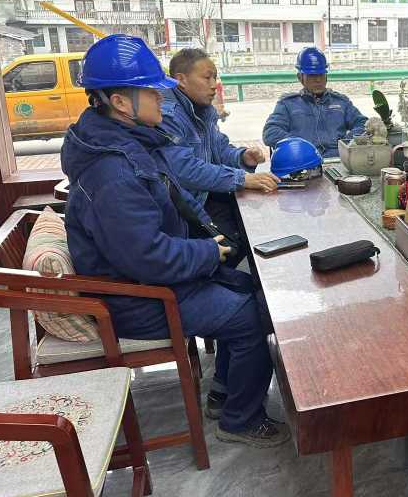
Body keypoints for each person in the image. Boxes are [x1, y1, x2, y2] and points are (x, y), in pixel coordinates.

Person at [61, 34, 289, 448]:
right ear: (120, 102)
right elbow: (147, 257)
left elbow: (174, 200)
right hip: (138, 297)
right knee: (254, 317)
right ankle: (240, 419)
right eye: (152, 92)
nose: (161, 100)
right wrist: (207, 251)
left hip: (156, 281)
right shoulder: (113, 173)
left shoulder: (130, 144)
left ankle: (225, 394)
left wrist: (208, 237)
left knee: (256, 292)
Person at [159, 48, 278, 267]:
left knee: (263, 220)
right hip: (187, 209)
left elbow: (220, 149)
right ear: (181, 80)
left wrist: (243, 158)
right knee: (241, 239)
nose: (214, 85)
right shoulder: (168, 116)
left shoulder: (202, 111)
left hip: (206, 195)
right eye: (207, 78)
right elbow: (184, 170)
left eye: (215, 77)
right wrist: (241, 178)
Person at [262, 46, 367, 158]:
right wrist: (299, 146)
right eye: (312, 75)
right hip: (304, 162)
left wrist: (346, 142)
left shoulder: (341, 102)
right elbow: (270, 132)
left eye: (321, 74)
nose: (318, 80)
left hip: (338, 160)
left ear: (326, 76)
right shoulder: (287, 104)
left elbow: (364, 124)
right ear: (300, 77)